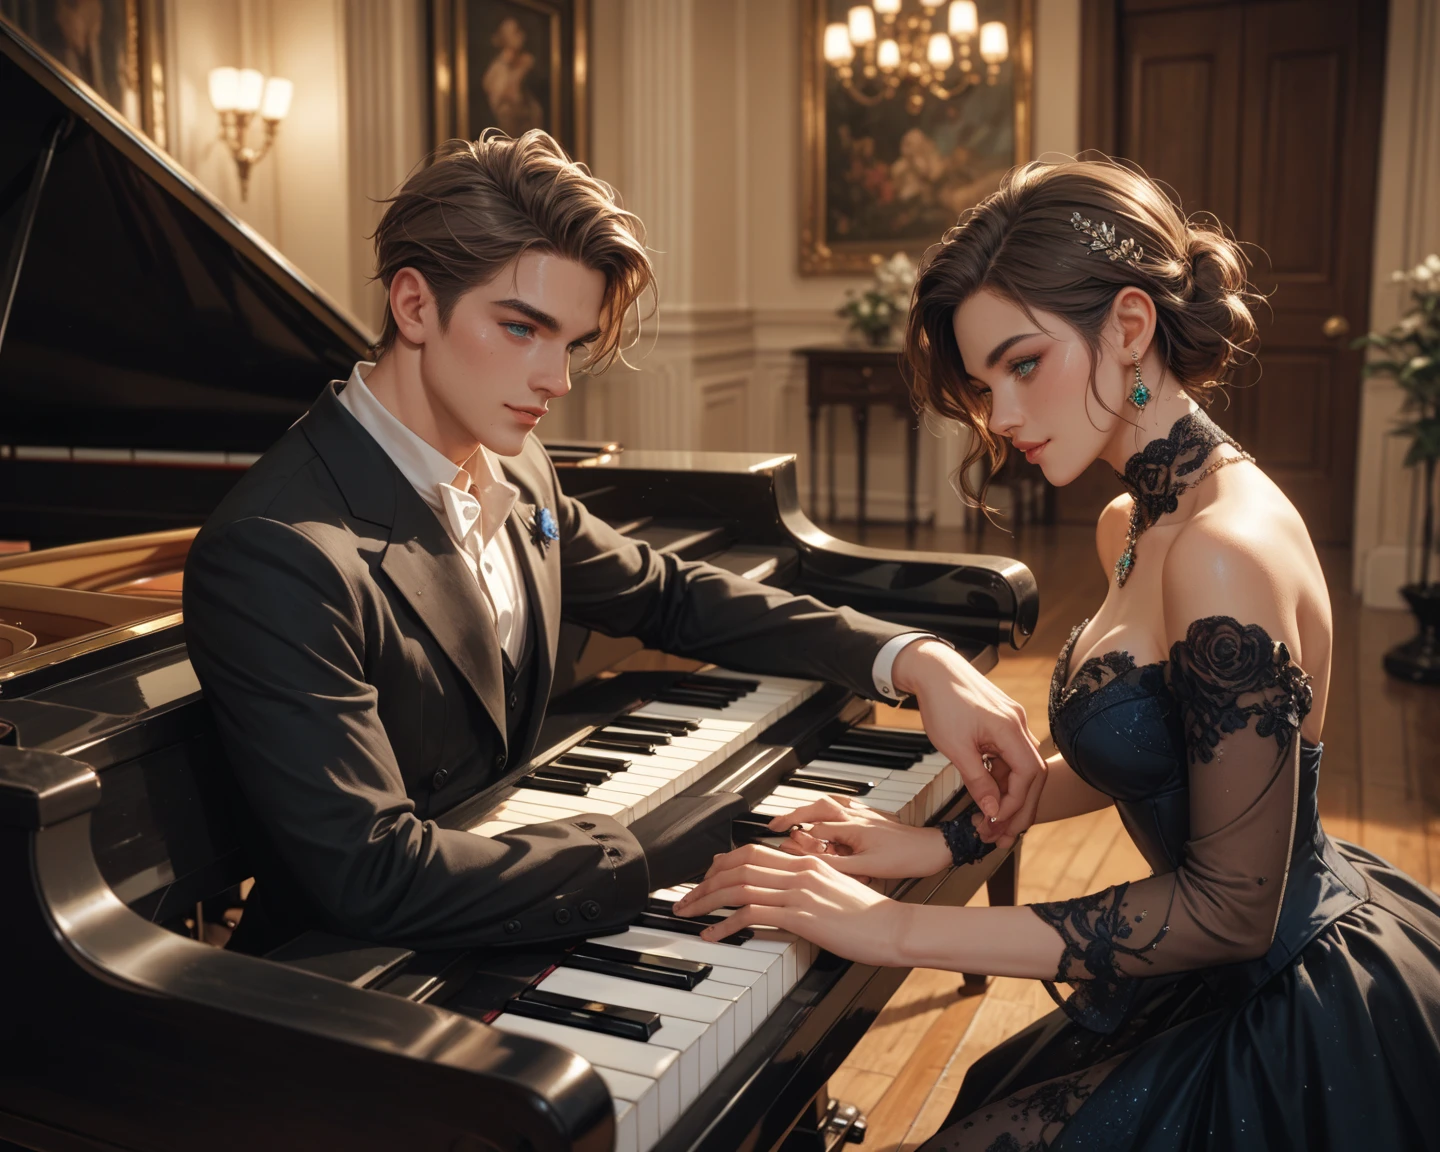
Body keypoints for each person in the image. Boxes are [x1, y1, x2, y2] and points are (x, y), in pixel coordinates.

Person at [673, 159, 1440, 1150]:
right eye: (985, 383)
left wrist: (888, 929)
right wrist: (938, 845)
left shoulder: (1221, 555)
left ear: (1128, 327)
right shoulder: (1137, 518)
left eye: (1023, 364)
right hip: (1207, 969)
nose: (999, 418)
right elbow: (1167, 747)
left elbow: (1233, 910)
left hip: (1284, 1003)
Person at [181, 129, 1045, 958]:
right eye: (521, 328)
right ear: (413, 304)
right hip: (353, 979)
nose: (555, 381)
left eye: (572, 342)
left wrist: (913, 659)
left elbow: (671, 596)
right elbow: (372, 875)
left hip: (504, 900)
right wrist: (684, 835)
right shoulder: (276, 550)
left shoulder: (517, 469)